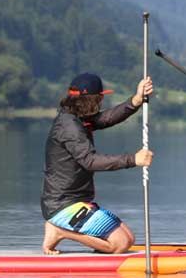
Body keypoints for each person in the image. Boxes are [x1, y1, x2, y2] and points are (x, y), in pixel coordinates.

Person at [41, 72, 153, 255]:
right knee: (121, 243)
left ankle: (97, 275)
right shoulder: (69, 127)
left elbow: (105, 118)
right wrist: (133, 159)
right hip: (63, 206)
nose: (101, 102)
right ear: (89, 99)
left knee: (128, 239)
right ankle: (59, 231)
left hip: (77, 202)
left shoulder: (76, 117)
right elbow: (90, 161)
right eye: (100, 98)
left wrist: (136, 100)